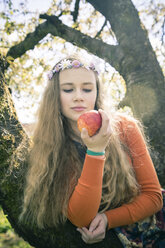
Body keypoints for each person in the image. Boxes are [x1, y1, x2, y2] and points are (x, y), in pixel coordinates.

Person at [19, 56, 164, 247]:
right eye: (68, 89)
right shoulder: (51, 146)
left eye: (87, 89)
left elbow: (154, 197)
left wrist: (107, 218)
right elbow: (81, 218)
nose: (79, 96)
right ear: (55, 95)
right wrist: (96, 152)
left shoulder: (125, 127)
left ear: (96, 93)